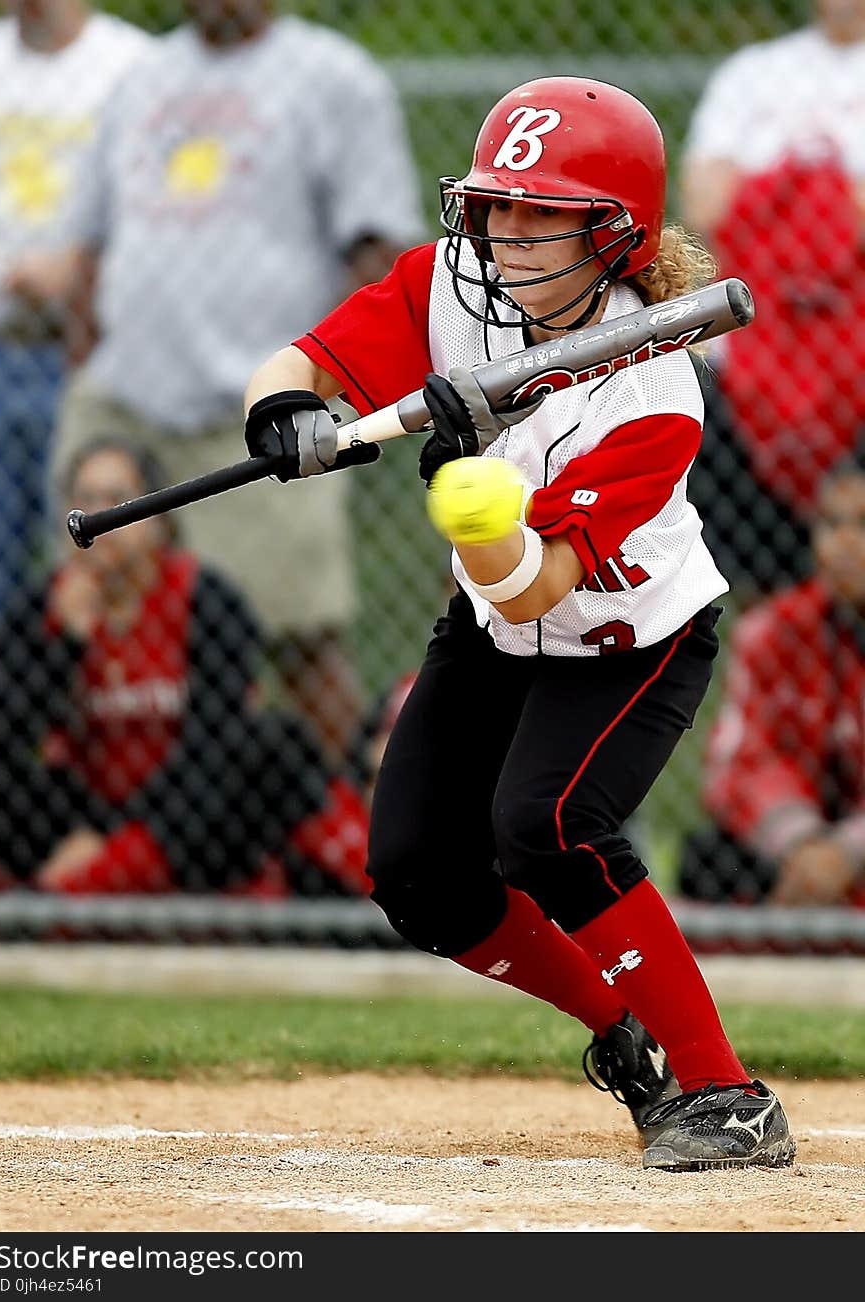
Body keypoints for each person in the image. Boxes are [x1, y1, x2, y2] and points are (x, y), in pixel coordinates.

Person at [238, 76, 796, 1172]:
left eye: (543, 213)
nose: (506, 233)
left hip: (625, 642)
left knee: (544, 823)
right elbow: (301, 360)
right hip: (494, 632)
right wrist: (287, 413)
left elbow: (535, 583)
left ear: (612, 232)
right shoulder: (455, 283)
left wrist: (462, 485)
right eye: (496, 205)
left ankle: (727, 1094)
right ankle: (619, 1035)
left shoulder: (656, 396)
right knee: (416, 873)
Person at [50, 0, 425, 771]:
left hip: (262, 415)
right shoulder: (140, 76)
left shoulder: (333, 78)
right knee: (80, 630)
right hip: (126, 402)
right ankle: (99, 854)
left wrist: (337, 394)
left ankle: (356, 841)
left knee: (298, 638)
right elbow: (89, 243)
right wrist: (85, 363)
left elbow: (379, 251)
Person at [0, 435, 334, 896]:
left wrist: (122, 842)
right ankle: (69, 890)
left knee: (275, 743)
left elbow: (215, 742)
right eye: (85, 500)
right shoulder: (43, 607)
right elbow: (8, 738)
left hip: (183, 817)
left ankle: (75, 892)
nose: (99, 517)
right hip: (82, 810)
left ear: (158, 519)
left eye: (117, 500)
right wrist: (66, 644)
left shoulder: (204, 600)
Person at [680, 0, 865, 598]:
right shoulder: (753, 74)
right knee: (764, 581)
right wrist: (835, 196)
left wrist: (767, 193)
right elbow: (703, 205)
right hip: (751, 364)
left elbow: (731, 199)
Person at [0, 0, 151, 632]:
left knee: (95, 573)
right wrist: (7, 276)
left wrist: (79, 271)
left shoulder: (130, 64)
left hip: (99, 356)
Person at [680, 451, 865, 908]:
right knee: (707, 862)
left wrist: (847, 852)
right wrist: (803, 845)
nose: (844, 541)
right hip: (795, 849)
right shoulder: (774, 630)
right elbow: (738, 764)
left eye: (863, 524)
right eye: (831, 523)